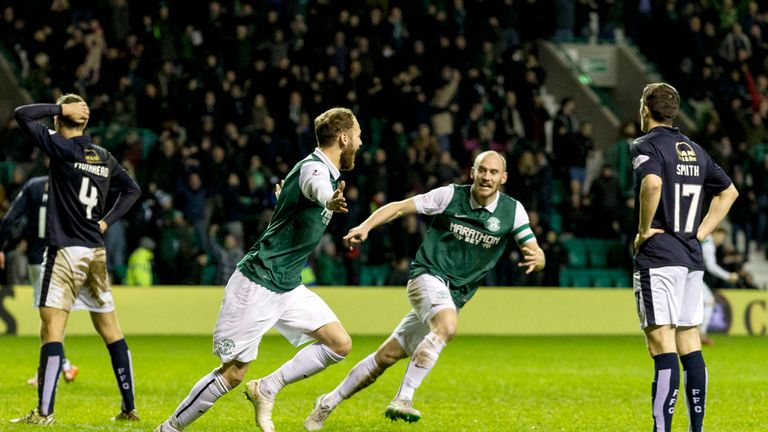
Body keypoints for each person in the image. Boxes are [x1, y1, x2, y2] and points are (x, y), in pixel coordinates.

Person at [304, 150, 545, 430]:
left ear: (503, 178)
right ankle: (404, 398)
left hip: (455, 295)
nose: (486, 177)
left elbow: (534, 250)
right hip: (427, 276)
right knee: (447, 326)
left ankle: (328, 402)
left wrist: (538, 258)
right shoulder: (449, 196)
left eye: (493, 172)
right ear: (472, 172)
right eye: (482, 170)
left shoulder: (512, 211)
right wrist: (366, 226)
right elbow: (399, 207)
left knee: (386, 356)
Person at [155, 107, 362, 432]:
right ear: (344, 138)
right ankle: (167, 429)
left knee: (339, 343)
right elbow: (315, 185)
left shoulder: (322, 173)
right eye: (359, 136)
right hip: (258, 281)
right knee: (233, 373)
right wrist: (328, 200)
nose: (361, 143)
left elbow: (301, 197)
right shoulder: (315, 169)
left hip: (287, 284)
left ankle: (267, 387)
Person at [9, 94, 142, 425]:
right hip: (94, 252)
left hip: (65, 252)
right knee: (111, 329)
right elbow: (132, 190)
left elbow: (22, 114)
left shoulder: (60, 148)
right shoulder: (104, 157)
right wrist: (107, 222)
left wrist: (58, 108)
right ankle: (129, 408)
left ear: (59, 122)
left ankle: (44, 413)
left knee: (52, 329)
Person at [631, 83, 737, 432]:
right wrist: (701, 233)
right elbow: (729, 192)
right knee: (689, 344)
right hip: (690, 259)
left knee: (662, 347)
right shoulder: (694, 149)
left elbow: (652, 184)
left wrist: (644, 230)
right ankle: (696, 429)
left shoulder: (645, 145)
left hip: (659, 256)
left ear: (646, 108)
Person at [0, 175, 81, 385]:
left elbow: (11, 218)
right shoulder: (70, 184)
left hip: (37, 260)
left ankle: (53, 368)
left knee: (49, 318)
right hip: (62, 258)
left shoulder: (33, 186)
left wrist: (1, 246)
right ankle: (59, 366)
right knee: (53, 318)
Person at [699, 230, 739, 346]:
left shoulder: (704, 241)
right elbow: (711, 266)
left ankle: (698, 333)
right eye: (721, 237)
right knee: (709, 301)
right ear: (714, 233)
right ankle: (701, 334)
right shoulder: (708, 245)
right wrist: (728, 276)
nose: (721, 241)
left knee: (704, 302)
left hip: (689, 274)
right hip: (692, 275)